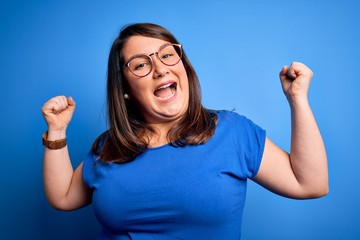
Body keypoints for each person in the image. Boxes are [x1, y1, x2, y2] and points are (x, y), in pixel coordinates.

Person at [41, 23, 328, 239]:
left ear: (184, 67)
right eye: (141, 64)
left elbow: (310, 184)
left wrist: (297, 100)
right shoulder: (109, 148)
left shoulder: (232, 133)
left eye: (168, 55)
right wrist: (56, 131)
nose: (160, 69)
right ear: (125, 89)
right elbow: (63, 197)